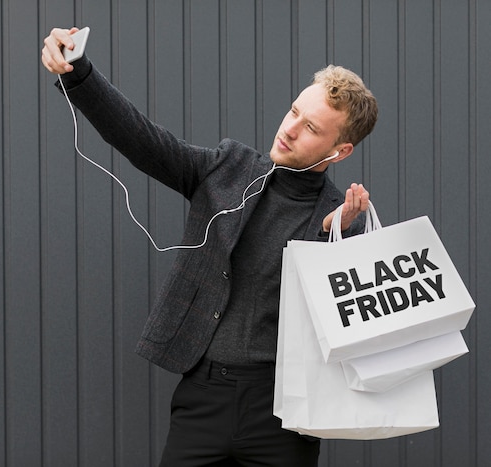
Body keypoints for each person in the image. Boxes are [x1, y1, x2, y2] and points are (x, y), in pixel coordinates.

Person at [42, 27, 378, 467]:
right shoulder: (228, 167)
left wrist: (335, 241)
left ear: (340, 151)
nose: (289, 129)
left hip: (284, 410)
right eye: (294, 111)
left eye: (310, 127)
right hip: (203, 396)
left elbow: (347, 333)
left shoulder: (344, 218)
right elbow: (142, 139)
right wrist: (79, 72)